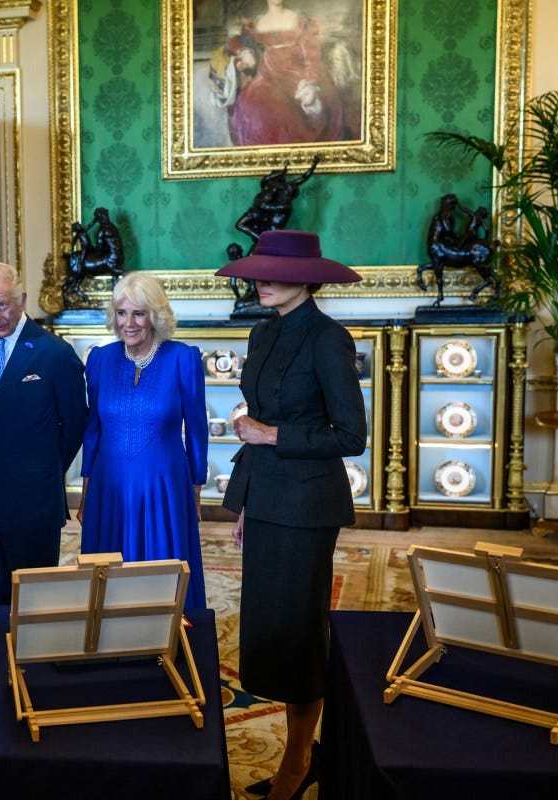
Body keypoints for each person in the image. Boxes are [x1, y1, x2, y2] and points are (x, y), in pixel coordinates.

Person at [214, 230, 366, 800]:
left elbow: (351, 434)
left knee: (301, 636)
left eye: (273, 270)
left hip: (308, 507)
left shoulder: (329, 339)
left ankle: (301, 760)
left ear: (307, 278)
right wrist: (249, 501)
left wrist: (272, 433)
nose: (261, 277)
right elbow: (256, 428)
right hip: (270, 500)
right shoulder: (262, 330)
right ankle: (297, 751)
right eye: (259, 267)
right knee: (269, 634)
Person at [77, 272, 209, 610]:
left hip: (163, 486)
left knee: (162, 572)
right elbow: (93, 428)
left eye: (139, 313)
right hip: (109, 484)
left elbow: (196, 428)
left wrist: (195, 489)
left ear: (155, 315)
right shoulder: (100, 360)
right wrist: (86, 487)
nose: (129, 323)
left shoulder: (183, 358)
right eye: (122, 313)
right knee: (106, 571)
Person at [0, 262, 87, 604]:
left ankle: (35, 661)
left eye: (2, 304)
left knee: (34, 602)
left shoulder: (54, 353)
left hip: (33, 502)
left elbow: (75, 424)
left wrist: (42, 469)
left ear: (22, 300)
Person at [224, 1, 346, 147]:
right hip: (266, 76)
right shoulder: (255, 24)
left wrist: (310, 83)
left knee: (288, 111)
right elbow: (233, 42)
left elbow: (311, 55)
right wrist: (243, 52)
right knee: (251, 103)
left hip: (297, 75)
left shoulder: (300, 21)